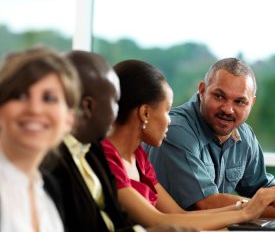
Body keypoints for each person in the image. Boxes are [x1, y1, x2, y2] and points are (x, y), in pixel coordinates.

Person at [101, 59, 275, 231]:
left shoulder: (138, 157)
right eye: (166, 110)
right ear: (145, 113)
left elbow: (179, 215)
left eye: (239, 101)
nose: (169, 120)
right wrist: (246, 211)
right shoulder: (107, 158)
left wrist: (244, 208)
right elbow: (158, 221)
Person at [40, 50, 196, 232]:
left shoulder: (92, 153)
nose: (119, 112)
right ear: (88, 106)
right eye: (115, 101)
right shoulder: (54, 163)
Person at [146, 57, 275, 218]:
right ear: (202, 91)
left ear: (251, 104)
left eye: (240, 102)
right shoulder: (175, 130)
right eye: (219, 96)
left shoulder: (244, 134)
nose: (228, 109)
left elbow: (263, 191)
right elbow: (206, 203)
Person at [0, 46, 80, 232]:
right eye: (20, 96)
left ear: (69, 119)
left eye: (49, 98)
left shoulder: (49, 188)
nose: (34, 109)